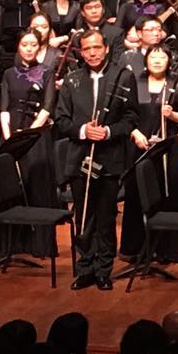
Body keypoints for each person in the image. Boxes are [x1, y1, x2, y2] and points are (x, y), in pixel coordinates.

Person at [56, 29, 138, 291]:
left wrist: (108, 132)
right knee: (83, 216)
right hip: (80, 157)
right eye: (87, 49)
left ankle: (104, 269)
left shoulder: (123, 76)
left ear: (106, 48)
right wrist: (83, 130)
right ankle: (85, 268)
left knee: (105, 216)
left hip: (109, 158)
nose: (92, 53)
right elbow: (61, 120)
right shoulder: (72, 80)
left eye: (96, 48)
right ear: (81, 52)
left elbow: (131, 118)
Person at [0, 29, 57, 263]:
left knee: (36, 184)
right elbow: (4, 107)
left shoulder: (47, 72)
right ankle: (4, 243)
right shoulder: (9, 73)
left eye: (33, 45)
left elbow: (48, 106)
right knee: (4, 185)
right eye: (24, 44)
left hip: (36, 136)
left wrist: (29, 134)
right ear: (18, 47)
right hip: (10, 135)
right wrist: (9, 138)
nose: (29, 49)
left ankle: (37, 244)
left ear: (39, 47)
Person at [120, 44, 178, 265]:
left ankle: (167, 249)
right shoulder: (134, 82)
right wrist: (135, 133)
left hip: (167, 149)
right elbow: (124, 114)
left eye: (162, 57)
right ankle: (136, 248)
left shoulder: (177, 84)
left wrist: (173, 115)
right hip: (139, 146)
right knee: (136, 195)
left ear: (169, 62)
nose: (157, 61)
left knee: (168, 195)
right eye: (153, 57)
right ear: (146, 60)